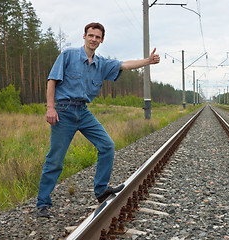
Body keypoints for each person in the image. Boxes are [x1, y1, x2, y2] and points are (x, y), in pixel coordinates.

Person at [36, 22, 160, 218]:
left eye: (97, 37)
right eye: (90, 35)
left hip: (83, 112)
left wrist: (148, 61)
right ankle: (43, 203)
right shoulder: (68, 55)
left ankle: (101, 190)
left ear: (102, 40)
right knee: (55, 160)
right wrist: (50, 108)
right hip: (63, 111)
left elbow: (125, 65)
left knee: (107, 145)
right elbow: (52, 81)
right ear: (84, 36)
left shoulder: (101, 63)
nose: (93, 39)